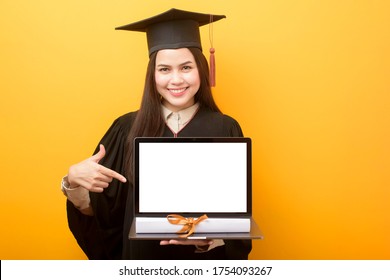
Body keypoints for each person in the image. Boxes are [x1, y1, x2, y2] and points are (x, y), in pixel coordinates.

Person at [61, 8, 252, 260]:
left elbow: (236, 220)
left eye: (186, 67)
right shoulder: (126, 128)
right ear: (152, 75)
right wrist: (72, 182)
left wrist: (208, 239)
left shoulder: (224, 128)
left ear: (202, 70)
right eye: (164, 69)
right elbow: (102, 217)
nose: (176, 79)